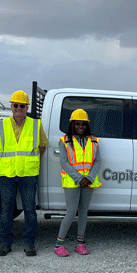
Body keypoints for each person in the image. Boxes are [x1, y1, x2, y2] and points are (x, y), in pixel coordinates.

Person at [0, 90, 48, 256]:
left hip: (28, 172)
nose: (19, 108)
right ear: (11, 106)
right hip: (7, 172)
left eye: (22, 106)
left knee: (30, 209)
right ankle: (5, 243)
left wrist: (29, 160)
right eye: (16, 105)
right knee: (6, 209)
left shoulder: (35, 125)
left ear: (27, 108)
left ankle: (29, 244)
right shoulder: (1, 125)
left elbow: (43, 146)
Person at [54, 109, 101, 256]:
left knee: (83, 212)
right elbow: (64, 162)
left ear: (87, 125)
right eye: (77, 124)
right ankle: (59, 244)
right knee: (71, 211)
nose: (80, 126)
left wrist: (89, 178)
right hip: (73, 182)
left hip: (89, 182)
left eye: (83, 124)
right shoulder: (65, 141)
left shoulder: (94, 141)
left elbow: (97, 161)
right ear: (72, 125)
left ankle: (80, 243)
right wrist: (80, 178)